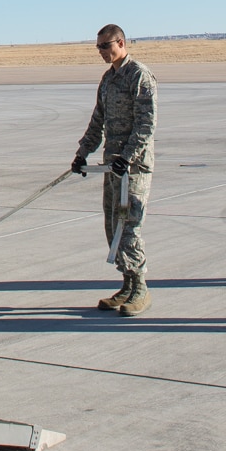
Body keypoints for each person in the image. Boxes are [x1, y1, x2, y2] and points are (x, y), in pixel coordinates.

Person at [72, 25, 157, 316]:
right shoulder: (108, 79)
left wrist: (129, 157)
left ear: (120, 42)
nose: (101, 52)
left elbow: (146, 125)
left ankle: (141, 289)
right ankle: (127, 284)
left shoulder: (139, 76)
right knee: (113, 228)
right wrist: (82, 153)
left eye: (105, 46)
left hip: (133, 169)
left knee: (129, 226)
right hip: (112, 166)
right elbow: (98, 121)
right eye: (97, 48)